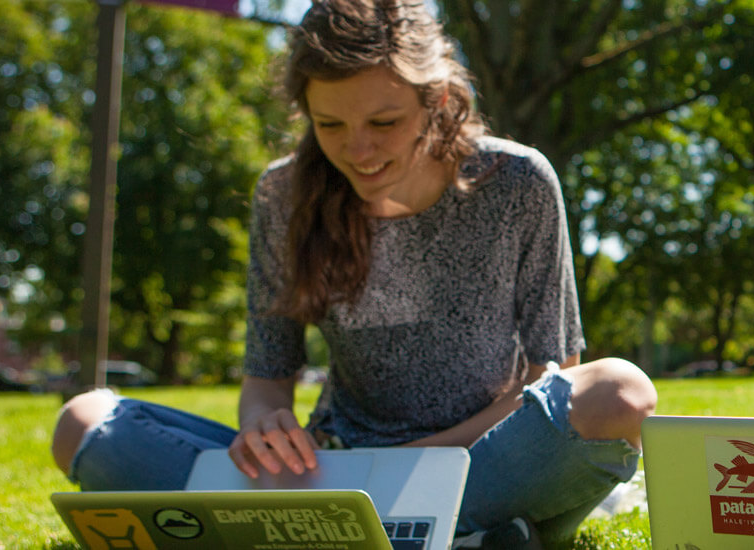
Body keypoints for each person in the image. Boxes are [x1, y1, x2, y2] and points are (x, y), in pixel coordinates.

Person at [49, 1, 657, 547]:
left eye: (383, 123)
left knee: (617, 393)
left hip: (481, 460)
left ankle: (396, 527)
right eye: (330, 125)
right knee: (83, 425)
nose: (357, 150)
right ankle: (470, 535)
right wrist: (265, 429)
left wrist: (409, 464)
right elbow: (267, 380)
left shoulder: (519, 182)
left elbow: (551, 376)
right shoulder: (282, 194)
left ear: (438, 101)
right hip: (330, 470)